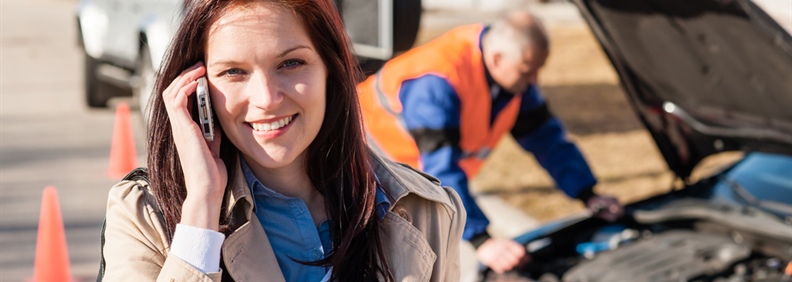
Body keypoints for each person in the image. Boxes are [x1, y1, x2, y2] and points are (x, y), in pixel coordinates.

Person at [98, 0, 465, 281]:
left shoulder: (426, 211)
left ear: (330, 71)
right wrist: (201, 213)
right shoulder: (145, 216)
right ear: (198, 91)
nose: (267, 98)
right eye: (233, 72)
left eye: (291, 64)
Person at [357, 11, 623, 274]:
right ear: (496, 59)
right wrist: (481, 240)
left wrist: (588, 193)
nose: (534, 81)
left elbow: (548, 140)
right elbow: (439, 169)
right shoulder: (437, 82)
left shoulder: (514, 78)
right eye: (528, 71)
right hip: (364, 166)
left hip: (412, 176)